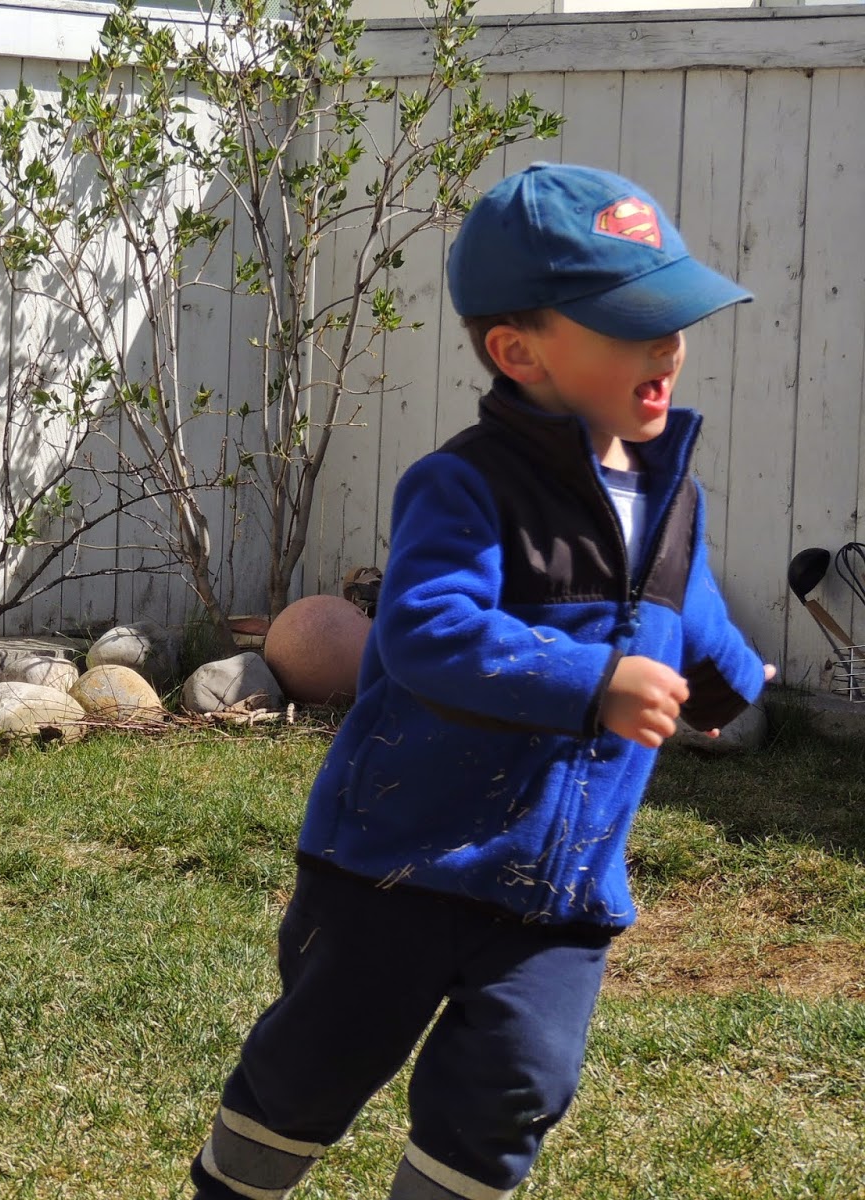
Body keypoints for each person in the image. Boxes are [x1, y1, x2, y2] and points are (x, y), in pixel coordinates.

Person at [190, 162, 775, 1200]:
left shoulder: (669, 497)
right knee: (312, 1069)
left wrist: (729, 685)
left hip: (559, 889)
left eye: (675, 320)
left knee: (516, 1086)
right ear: (519, 352)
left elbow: (690, 610)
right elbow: (428, 632)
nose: (668, 346)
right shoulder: (463, 488)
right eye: (634, 325)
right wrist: (595, 680)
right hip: (399, 867)